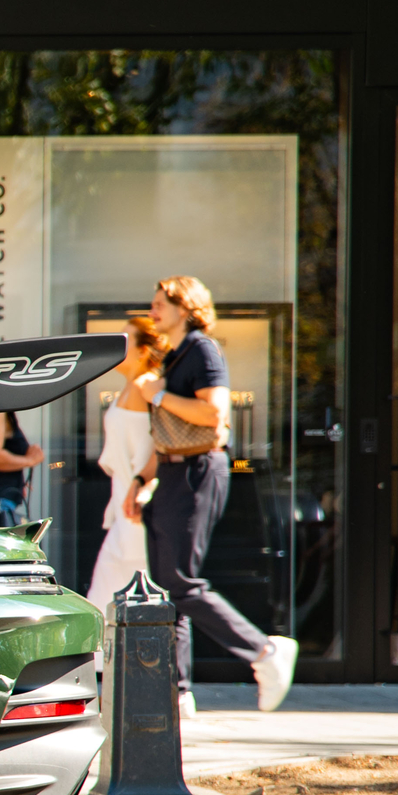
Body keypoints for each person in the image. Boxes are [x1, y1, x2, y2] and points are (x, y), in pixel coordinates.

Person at [123, 275, 298, 713]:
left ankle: (264, 651)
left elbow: (214, 413)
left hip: (197, 471)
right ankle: (178, 693)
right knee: (168, 591)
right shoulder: (175, 354)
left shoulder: (202, 349)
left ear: (185, 307)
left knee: (180, 582)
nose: (152, 310)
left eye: (160, 303)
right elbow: (167, 432)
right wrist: (142, 481)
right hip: (171, 472)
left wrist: (158, 394)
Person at [85, 316, 165, 610]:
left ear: (143, 351)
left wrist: (144, 486)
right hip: (123, 509)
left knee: (131, 605)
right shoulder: (131, 386)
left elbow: (164, 442)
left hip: (137, 510)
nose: (119, 346)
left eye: (126, 340)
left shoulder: (148, 385)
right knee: (107, 603)